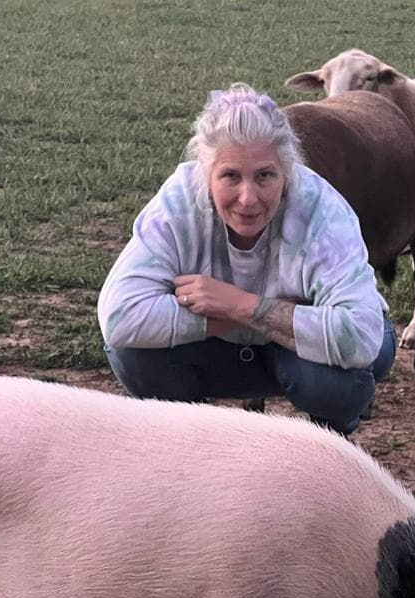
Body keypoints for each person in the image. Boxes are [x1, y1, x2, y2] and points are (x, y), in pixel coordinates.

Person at [97, 82, 395, 436]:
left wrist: (240, 304)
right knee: (132, 354)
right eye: (230, 176)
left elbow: (360, 336)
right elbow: (119, 317)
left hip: (302, 359)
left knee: (333, 382)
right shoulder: (177, 203)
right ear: (205, 176)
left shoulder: (322, 211)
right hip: (226, 350)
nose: (248, 198)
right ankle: (190, 443)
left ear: (287, 174)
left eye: (265, 175)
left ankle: (335, 441)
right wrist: (261, 313)